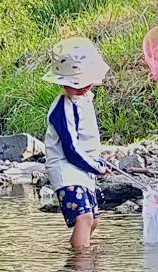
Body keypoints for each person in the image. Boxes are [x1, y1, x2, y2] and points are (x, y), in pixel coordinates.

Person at [42, 36, 113, 249]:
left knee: (94, 220)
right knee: (84, 218)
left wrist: (98, 162)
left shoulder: (85, 99)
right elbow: (71, 149)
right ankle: (81, 261)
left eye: (84, 82)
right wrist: (96, 167)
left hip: (83, 168)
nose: (81, 87)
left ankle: (78, 255)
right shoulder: (61, 109)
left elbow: (86, 139)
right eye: (74, 84)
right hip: (65, 169)